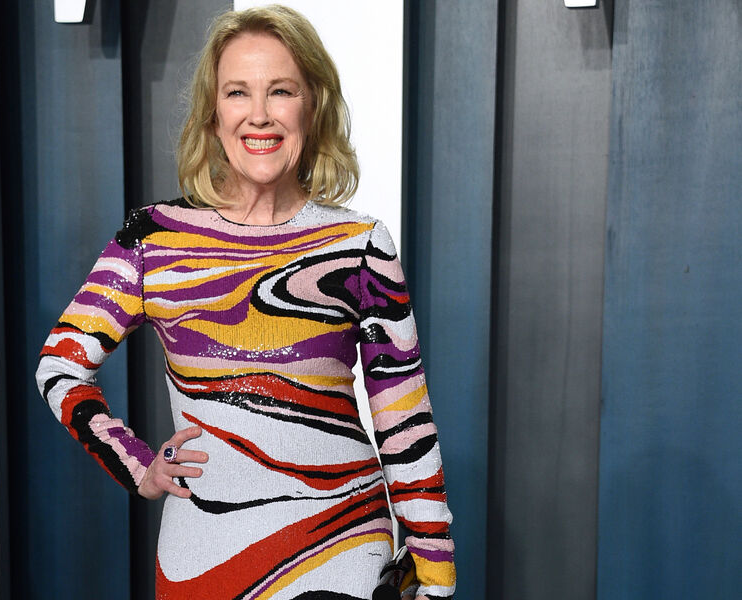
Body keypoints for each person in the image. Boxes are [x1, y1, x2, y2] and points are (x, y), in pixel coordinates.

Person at [36, 5, 455, 599]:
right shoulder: (154, 239)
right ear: (213, 113)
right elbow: (60, 365)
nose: (259, 114)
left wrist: (435, 573)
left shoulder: (360, 245)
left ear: (313, 106)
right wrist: (134, 464)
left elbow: (404, 422)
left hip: (340, 543)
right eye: (238, 92)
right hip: (201, 554)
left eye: (281, 91)